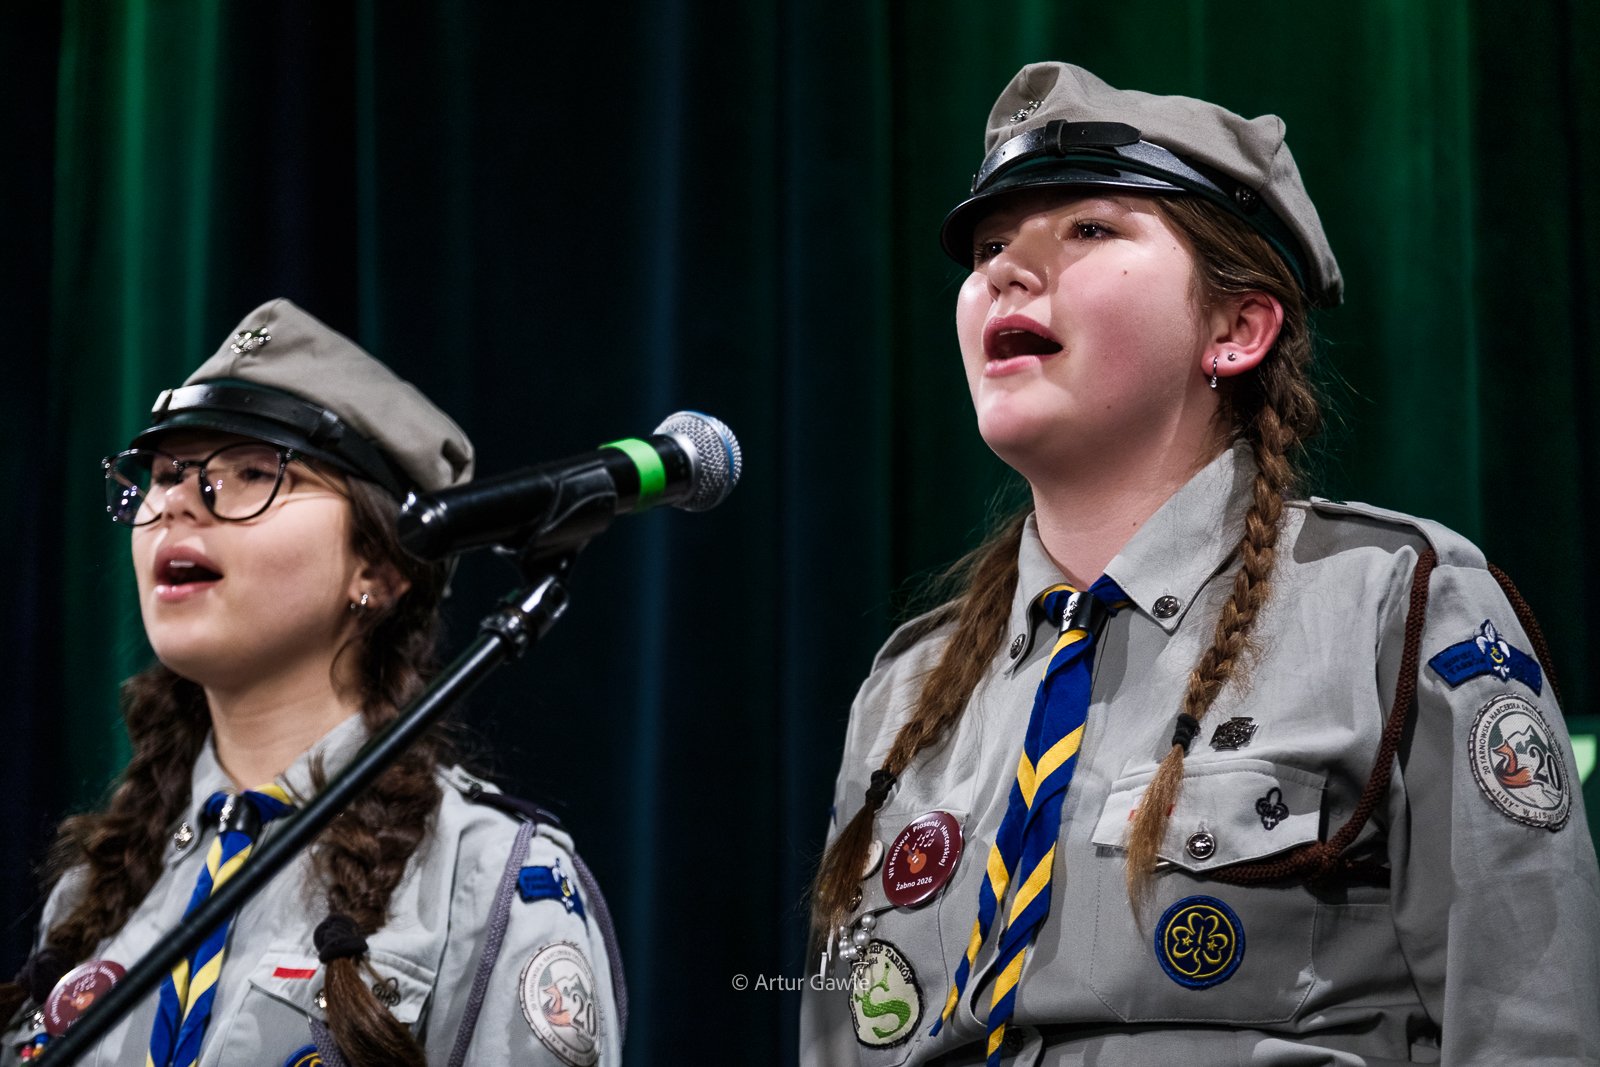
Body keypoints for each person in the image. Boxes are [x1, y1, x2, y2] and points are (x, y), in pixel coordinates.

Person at [801, 62, 1600, 1066]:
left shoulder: (1396, 605)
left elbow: (1532, 1034)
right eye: (991, 247)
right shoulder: (906, 690)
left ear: (1236, 328)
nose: (1004, 271)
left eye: (1088, 229)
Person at [1, 299, 625, 1067]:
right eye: (163, 474)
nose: (176, 504)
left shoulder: (490, 882)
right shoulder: (95, 891)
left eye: (253, 473)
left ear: (381, 568)